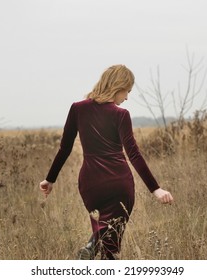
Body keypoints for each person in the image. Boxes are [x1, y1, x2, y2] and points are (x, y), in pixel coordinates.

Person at [40, 65, 173, 260]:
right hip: (118, 183)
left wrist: (49, 179)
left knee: (104, 231)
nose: (127, 97)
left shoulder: (78, 108)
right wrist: (156, 189)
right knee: (111, 246)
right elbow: (133, 154)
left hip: (90, 184)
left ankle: (91, 248)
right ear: (118, 87)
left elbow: (65, 148)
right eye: (127, 91)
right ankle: (91, 248)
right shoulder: (121, 114)